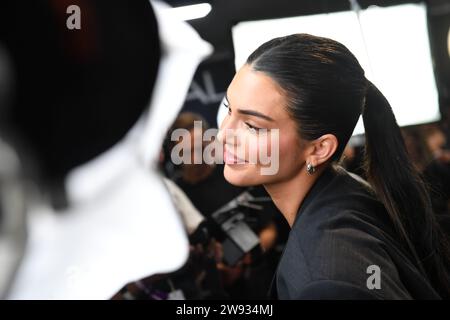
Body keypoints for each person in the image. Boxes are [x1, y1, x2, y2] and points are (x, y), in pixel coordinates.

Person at [217, 33, 450, 299]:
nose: (223, 134)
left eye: (252, 126)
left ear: (319, 149)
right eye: (228, 109)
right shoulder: (346, 192)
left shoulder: (327, 281)